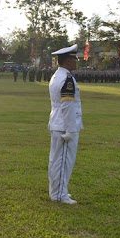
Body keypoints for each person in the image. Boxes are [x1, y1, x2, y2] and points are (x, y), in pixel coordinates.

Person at [48, 44, 83, 205]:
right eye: (73, 58)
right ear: (67, 60)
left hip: (57, 123)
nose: (76, 61)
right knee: (63, 162)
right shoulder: (67, 79)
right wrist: (70, 130)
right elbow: (67, 106)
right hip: (64, 126)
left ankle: (56, 192)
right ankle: (60, 194)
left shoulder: (57, 76)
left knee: (55, 161)